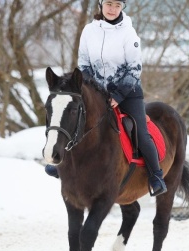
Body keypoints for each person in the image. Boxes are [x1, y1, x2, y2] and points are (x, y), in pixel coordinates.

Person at [46, 0, 167, 197]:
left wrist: (118, 96)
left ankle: (156, 175)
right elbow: (84, 64)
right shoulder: (88, 31)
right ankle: (62, 163)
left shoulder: (129, 33)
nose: (112, 9)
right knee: (74, 120)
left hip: (127, 92)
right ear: (101, 4)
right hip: (96, 91)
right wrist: (91, 90)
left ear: (122, 8)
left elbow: (134, 68)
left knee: (140, 131)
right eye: (109, 4)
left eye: (117, 5)